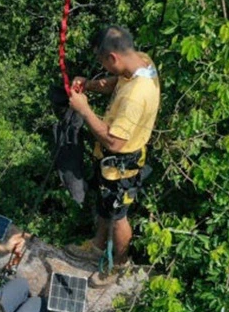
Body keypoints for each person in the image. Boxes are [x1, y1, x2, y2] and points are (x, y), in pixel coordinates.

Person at [66, 25, 160, 280]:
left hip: (121, 162)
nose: (104, 68)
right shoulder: (141, 62)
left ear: (113, 57)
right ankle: (97, 246)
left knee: (118, 216)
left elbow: (114, 142)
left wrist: (84, 110)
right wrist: (91, 86)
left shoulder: (136, 96)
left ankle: (119, 264)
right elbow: (116, 81)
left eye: (103, 63)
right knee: (106, 206)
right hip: (112, 164)